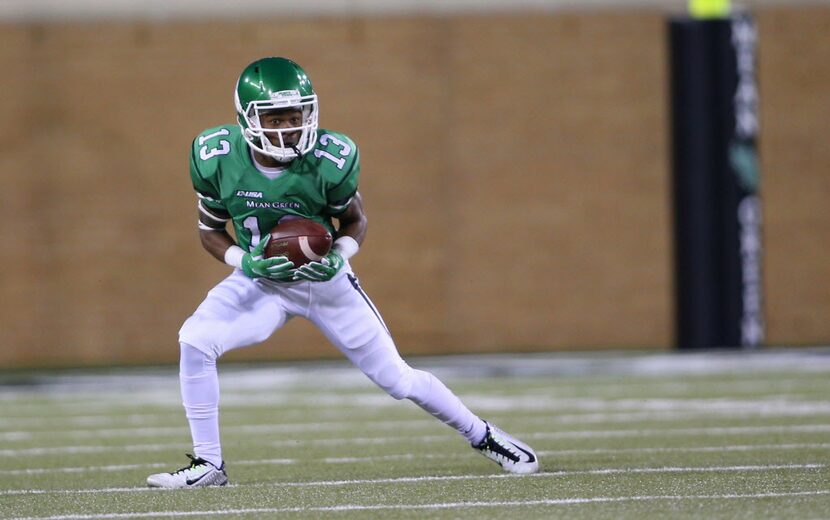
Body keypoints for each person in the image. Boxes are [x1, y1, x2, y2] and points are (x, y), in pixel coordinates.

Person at [146, 57, 539, 488]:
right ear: (246, 118)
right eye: (274, 117)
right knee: (195, 340)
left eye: (295, 116)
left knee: (397, 379)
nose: (288, 129)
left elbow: (355, 221)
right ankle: (208, 464)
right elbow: (209, 230)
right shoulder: (215, 156)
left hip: (323, 280)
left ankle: (484, 436)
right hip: (260, 278)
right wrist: (246, 261)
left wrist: (340, 254)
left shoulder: (331, 159)